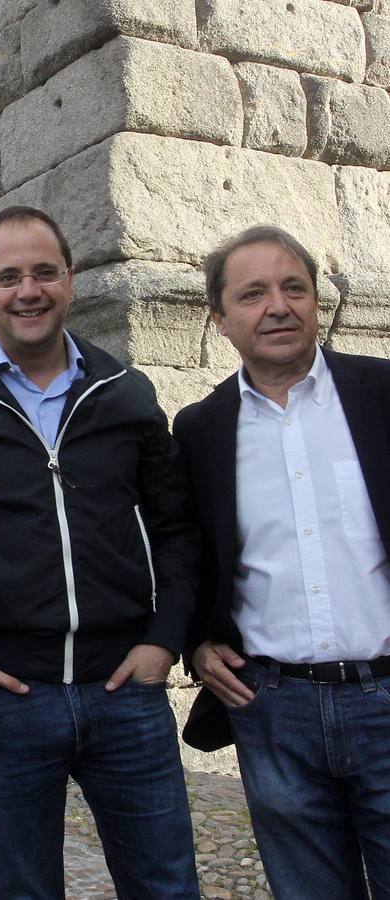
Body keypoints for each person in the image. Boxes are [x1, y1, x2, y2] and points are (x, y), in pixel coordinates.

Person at [0, 206, 200, 897]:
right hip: (3, 703)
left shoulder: (125, 392)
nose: (29, 290)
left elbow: (176, 528)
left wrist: (165, 639)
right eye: (9, 276)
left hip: (127, 695)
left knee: (166, 887)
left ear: (70, 281)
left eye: (44, 272)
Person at [176, 226, 390, 899]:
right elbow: (188, 553)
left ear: (317, 302)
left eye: (294, 287)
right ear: (220, 318)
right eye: (254, 293)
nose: (278, 306)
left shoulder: (381, 393)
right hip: (274, 712)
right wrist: (194, 645)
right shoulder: (201, 430)